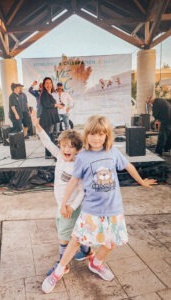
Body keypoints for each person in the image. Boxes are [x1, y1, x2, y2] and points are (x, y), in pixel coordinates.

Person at [42, 115, 157, 294]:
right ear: (87, 135)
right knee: (75, 241)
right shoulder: (83, 157)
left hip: (114, 209)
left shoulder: (113, 152)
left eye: (101, 134)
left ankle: (96, 264)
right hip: (91, 210)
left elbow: (129, 167)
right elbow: (73, 182)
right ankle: (59, 271)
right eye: (93, 134)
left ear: (107, 135)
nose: (97, 138)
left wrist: (141, 181)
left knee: (111, 243)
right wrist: (64, 203)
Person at [31, 111, 94, 276]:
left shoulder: (78, 166)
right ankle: (87, 251)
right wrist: (37, 126)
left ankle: (62, 264)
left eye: (71, 147)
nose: (66, 149)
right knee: (75, 231)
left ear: (78, 150)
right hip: (62, 204)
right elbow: (47, 142)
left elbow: (82, 190)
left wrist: (72, 207)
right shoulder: (59, 156)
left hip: (71, 207)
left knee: (64, 235)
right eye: (64, 145)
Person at [39, 77, 63, 159]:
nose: (49, 85)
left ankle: (52, 153)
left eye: (50, 83)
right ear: (44, 85)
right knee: (48, 136)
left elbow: (52, 105)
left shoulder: (50, 94)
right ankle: (48, 154)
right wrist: (56, 105)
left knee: (53, 135)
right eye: (47, 83)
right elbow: (46, 105)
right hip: (48, 118)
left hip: (53, 117)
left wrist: (58, 105)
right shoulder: (44, 94)